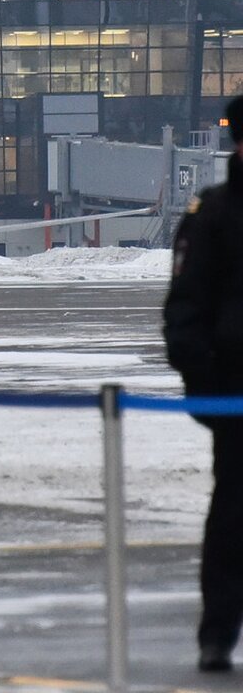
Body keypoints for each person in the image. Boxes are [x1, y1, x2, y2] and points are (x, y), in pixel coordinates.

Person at [164, 94, 243, 673]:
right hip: (237, 395)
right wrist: (208, 388)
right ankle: (217, 634)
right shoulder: (214, 214)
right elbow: (185, 312)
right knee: (233, 519)